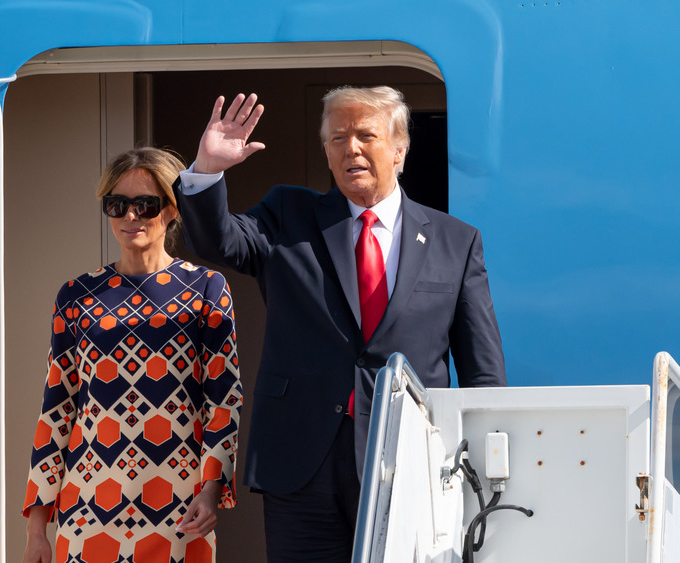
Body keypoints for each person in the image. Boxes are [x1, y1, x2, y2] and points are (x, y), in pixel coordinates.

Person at [173, 86, 506, 561]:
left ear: (399, 149)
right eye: (337, 138)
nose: (350, 148)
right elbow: (217, 241)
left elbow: (482, 369)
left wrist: (487, 469)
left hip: (410, 461)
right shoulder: (289, 215)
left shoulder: (456, 242)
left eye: (365, 135)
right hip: (301, 466)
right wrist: (207, 170)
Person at [22, 147, 243, 563]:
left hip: (181, 506)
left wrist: (212, 490)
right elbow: (56, 410)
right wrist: (37, 528)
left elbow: (223, 401)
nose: (130, 217)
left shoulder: (207, 290)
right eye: (117, 205)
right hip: (86, 509)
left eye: (145, 205)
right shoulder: (77, 296)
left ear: (173, 211)